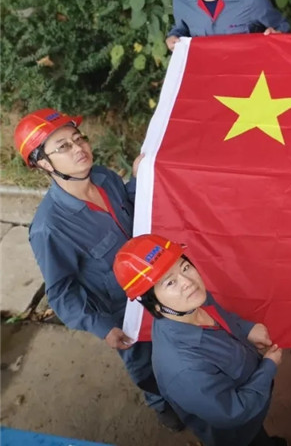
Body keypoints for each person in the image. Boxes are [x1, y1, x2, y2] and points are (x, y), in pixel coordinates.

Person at [14, 109, 182, 430]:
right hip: (122, 311)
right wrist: (102, 327)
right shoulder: (50, 228)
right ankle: (160, 402)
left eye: (78, 138)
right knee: (144, 363)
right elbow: (62, 292)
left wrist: (138, 179)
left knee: (177, 345)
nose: (79, 148)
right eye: (63, 146)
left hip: (158, 283)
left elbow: (131, 207)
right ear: (43, 164)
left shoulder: (104, 177)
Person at [114, 234, 285, 446]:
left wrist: (247, 329)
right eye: (170, 282)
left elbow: (222, 316)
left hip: (252, 398)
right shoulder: (184, 369)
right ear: (153, 303)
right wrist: (268, 367)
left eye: (185, 268)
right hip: (238, 433)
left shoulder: (188, 304)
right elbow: (234, 412)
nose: (188, 283)